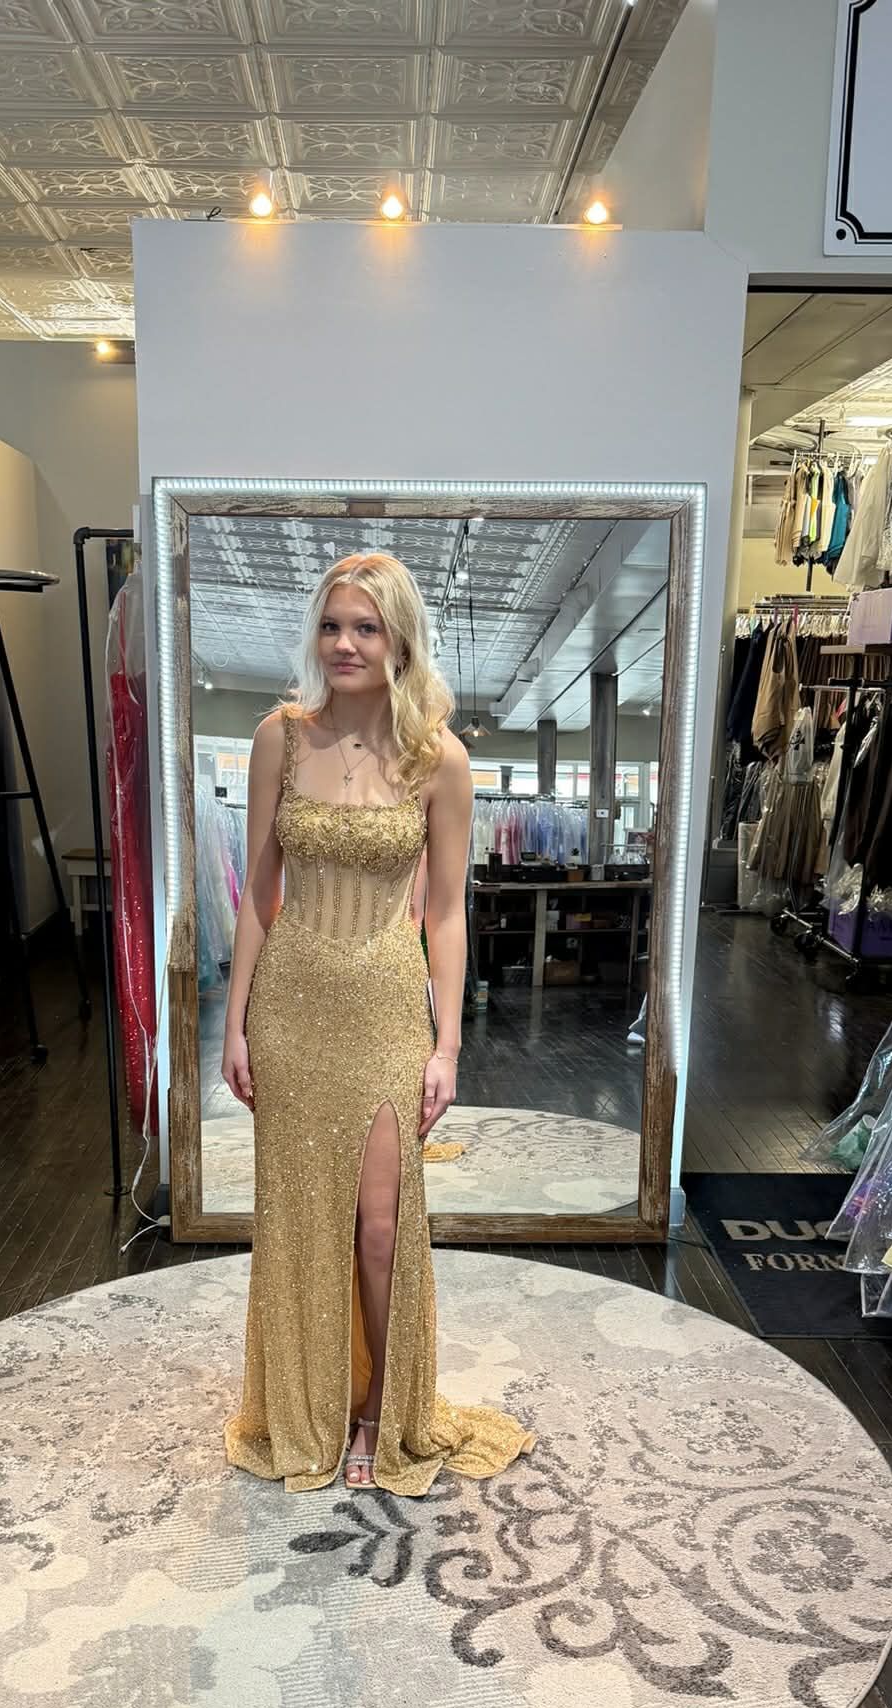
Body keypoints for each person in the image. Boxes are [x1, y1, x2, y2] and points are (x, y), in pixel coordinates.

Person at [219, 552, 537, 1494]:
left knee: (379, 1226)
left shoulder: (439, 759)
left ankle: (375, 1413)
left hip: (389, 1008)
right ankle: (304, 1404)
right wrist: (233, 1026)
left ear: (399, 640)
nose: (346, 644)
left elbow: (445, 911)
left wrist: (448, 1044)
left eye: (366, 627)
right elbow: (255, 895)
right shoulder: (280, 736)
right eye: (332, 626)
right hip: (292, 1002)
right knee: (296, 1217)